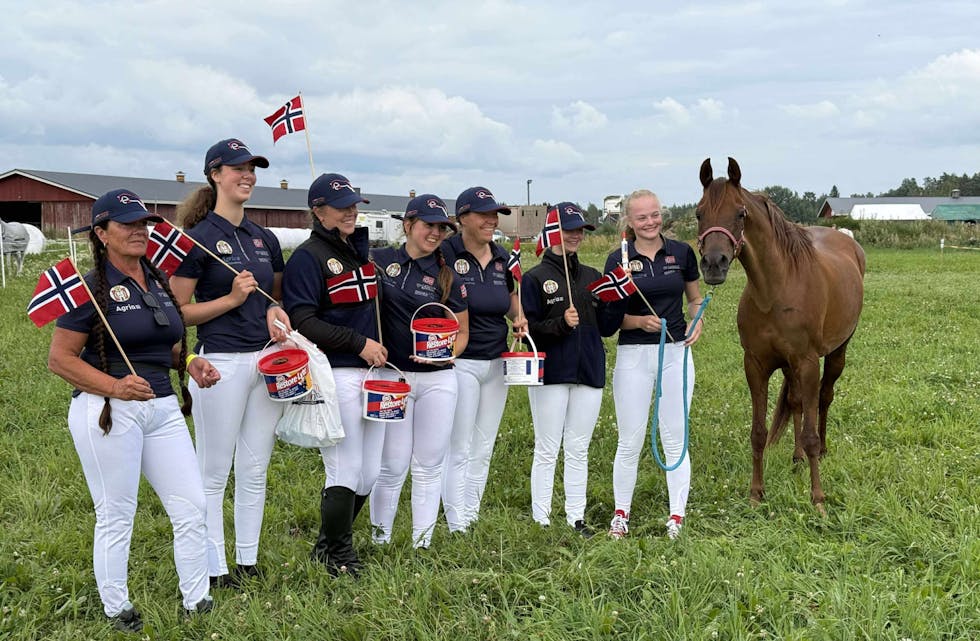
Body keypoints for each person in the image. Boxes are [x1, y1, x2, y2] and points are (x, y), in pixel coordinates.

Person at [48, 189, 220, 633]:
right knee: (117, 512)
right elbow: (60, 359)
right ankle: (115, 606)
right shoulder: (88, 288)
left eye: (143, 223)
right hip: (107, 409)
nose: (139, 231)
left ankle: (197, 598)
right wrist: (115, 387)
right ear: (102, 234)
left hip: (162, 407)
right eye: (127, 224)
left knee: (192, 505)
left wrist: (190, 362)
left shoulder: (160, 283)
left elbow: (171, 345)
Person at [171, 138, 291, 587]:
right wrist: (230, 298)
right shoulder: (196, 239)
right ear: (215, 175)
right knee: (214, 471)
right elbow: (176, 311)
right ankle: (214, 566)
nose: (248, 176)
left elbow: (273, 298)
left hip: (265, 363)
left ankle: (247, 558)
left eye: (252, 169)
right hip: (220, 362)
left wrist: (274, 312)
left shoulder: (263, 237)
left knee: (255, 466)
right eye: (238, 169)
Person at [281, 173, 387, 576]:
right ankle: (340, 554)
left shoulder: (359, 252)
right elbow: (302, 319)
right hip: (337, 373)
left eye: (353, 204)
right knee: (344, 467)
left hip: (374, 375)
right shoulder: (308, 257)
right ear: (317, 210)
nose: (350, 211)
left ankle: (327, 545)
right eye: (341, 205)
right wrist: (358, 343)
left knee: (370, 471)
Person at [369, 194, 469, 549]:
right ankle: (380, 538)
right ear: (408, 225)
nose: (436, 233)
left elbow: (462, 333)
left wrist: (444, 357)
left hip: (437, 380)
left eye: (441, 227)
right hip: (391, 376)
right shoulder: (378, 261)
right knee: (392, 465)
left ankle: (421, 543)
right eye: (429, 225)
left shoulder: (446, 276)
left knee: (428, 463)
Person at [604, 189, 704, 540]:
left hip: (675, 352)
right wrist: (638, 322)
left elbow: (693, 300)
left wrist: (697, 320)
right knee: (629, 440)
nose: (650, 222)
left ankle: (676, 516)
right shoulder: (619, 259)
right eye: (642, 217)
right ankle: (621, 514)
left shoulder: (681, 253)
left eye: (655, 214)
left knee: (675, 438)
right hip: (634, 355)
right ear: (629, 222)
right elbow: (611, 320)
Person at [520, 202, 619, 537]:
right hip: (551, 372)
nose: (575, 236)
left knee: (578, 448)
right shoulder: (535, 278)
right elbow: (528, 328)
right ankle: (541, 519)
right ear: (552, 233)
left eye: (580, 230)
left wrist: (616, 300)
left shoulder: (592, 277)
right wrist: (561, 324)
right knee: (547, 447)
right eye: (569, 229)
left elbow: (606, 328)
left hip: (588, 371)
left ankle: (576, 517)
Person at [440, 186, 527, 533]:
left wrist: (520, 318)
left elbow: (508, 299)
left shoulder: (502, 256)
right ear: (463, 218)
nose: (492, 221)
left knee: (484, 441)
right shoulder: (445, 252)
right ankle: (454, 516)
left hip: (496, 360)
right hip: (460, 361)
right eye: (484, 215)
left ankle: (471, 510)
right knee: (459, 443)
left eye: (495, 215)